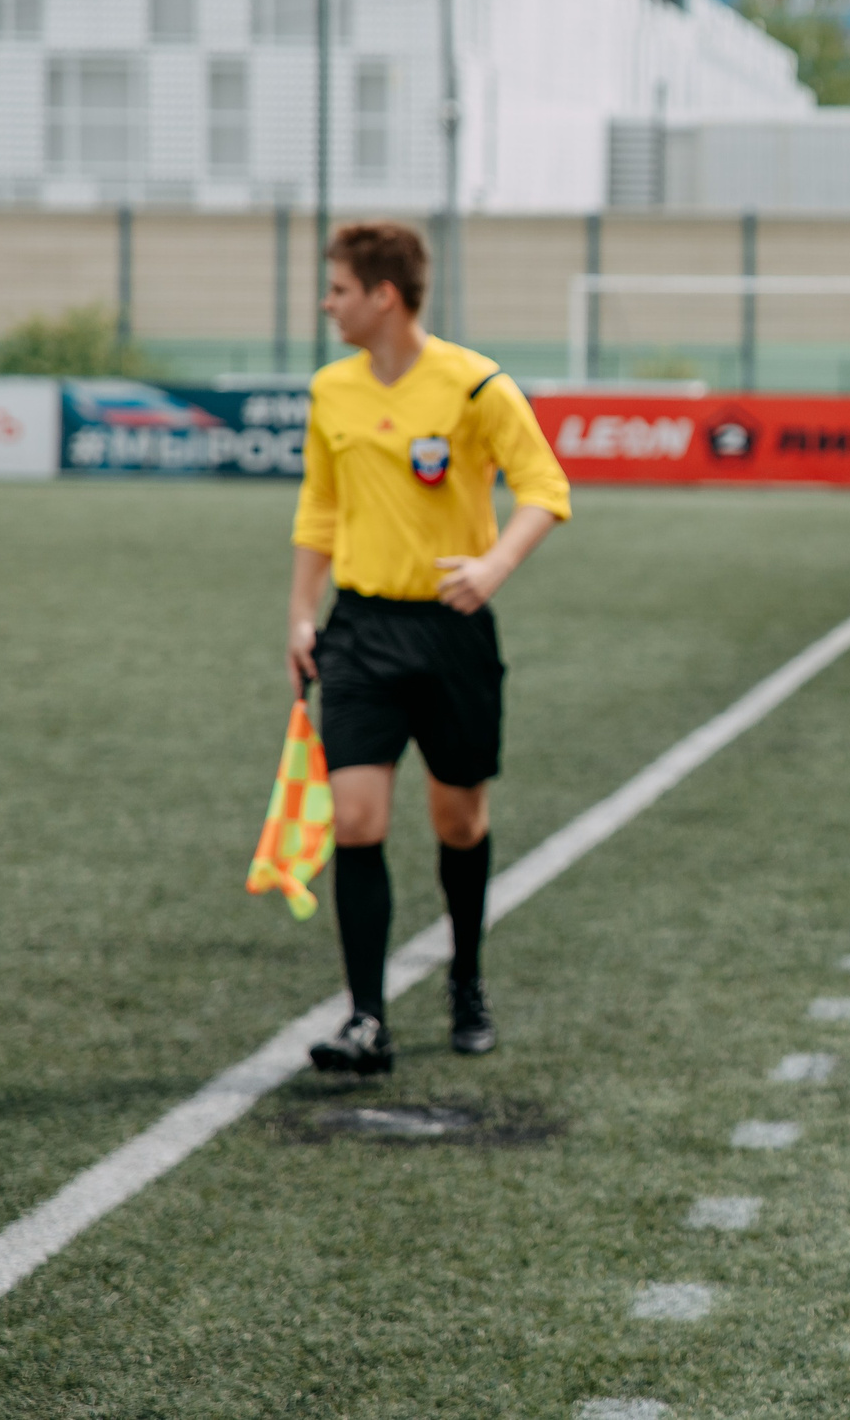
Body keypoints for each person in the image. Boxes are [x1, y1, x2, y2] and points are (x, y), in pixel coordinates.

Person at [286, 222, 571, 1076]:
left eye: (338, 289)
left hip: (451, 633)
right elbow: (319, 510)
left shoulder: (476, 383)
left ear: (384, 295)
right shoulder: (330, 390)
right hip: (361, 631)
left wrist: (495, 563)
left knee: (460, 818)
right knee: (358, 818)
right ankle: (366, 1017)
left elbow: (545, 487)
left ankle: (468, 982)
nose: (327, 303)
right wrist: (302, 611)